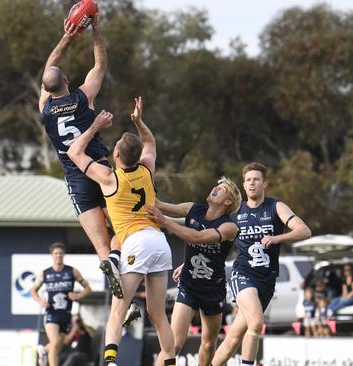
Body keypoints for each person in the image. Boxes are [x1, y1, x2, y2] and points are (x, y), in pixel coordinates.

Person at [67, 97, 176, 366]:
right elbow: (150, 143)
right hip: (159, 241)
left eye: (114, 147)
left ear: (116, 155)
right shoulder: (147, 169)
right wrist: (139, 122)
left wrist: (93, 128)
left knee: (118, 309)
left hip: (135, 242)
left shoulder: (109, 178)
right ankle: (171, 360)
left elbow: (73, 153)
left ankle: (111, 362)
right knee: (158, 314)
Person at [38, 8, 122, 299]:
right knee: (124, 226)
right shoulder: (82, 97)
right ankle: (121, 262)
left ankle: (114, 279)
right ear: (67, 80)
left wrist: (67, 37)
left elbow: (50, 67)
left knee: (101, 246)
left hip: (74, 180)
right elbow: (100, 64)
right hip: (98, 169)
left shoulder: (45, 108)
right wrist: (95, 28)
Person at [211, 162, 311, 366]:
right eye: (248, 180)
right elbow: (213, 243)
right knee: (256, 322)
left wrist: (277, 238)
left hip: (266, 281)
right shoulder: (235, 214)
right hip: (242, 275)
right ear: (244, 185)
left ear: (264, 184)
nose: (252, 183)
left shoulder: (276, 207)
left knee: (234, 337)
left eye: (256, 179)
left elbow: (304, 231)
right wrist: (186, 264)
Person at [147, 178, 241, 366]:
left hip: (212, 289)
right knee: (173, 344)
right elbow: (158, 204)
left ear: (228, 202)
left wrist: (164, 221)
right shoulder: (193, 209)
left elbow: (198, 238)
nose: (215, 188)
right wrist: (142, 179)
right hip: (188, 285)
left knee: (207, 344)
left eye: (221, 189)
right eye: (216, 185)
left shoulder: (229, 227)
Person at [32, 242, 92, 366]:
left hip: (65, 313)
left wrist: (77, 296)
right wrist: (40, 301)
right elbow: (33, 290)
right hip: (51, 312)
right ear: (51, 255)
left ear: (64, 255)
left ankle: (43, 352)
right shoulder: (45, 273)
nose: (58, 256)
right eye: (55, 253)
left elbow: (88, 289)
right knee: (55, 341)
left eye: (60, 253)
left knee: (59, 345)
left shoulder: (72, 271)